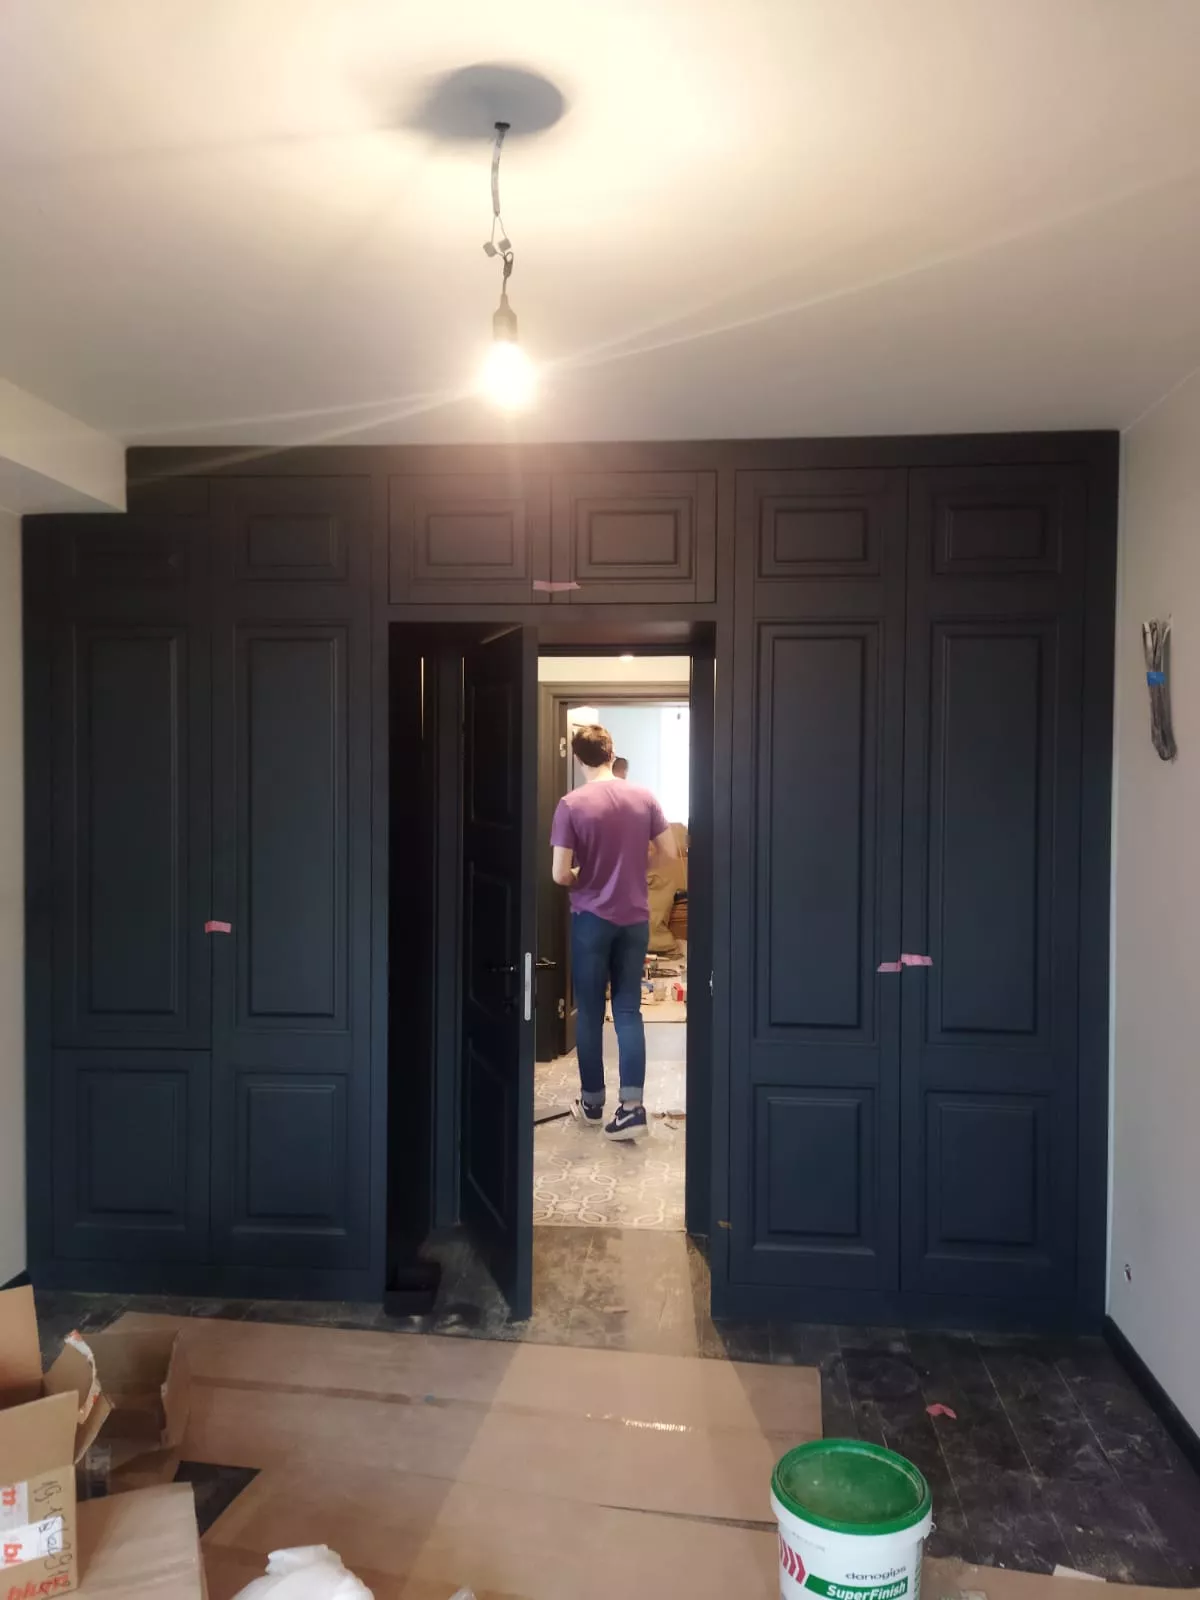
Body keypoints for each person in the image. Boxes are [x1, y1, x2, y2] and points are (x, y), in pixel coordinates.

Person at [551, 724, 678, 1142]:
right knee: (628, 1011)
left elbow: (559, 874)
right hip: (634, 919)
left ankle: (592, 1104)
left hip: (591, 919)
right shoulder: (643, 797)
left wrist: (583, 874)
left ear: (577, 758)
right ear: (611, 753)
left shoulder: (571, 804)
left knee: (590, 1012)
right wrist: (635, 869)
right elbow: (670, 853)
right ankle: (632, 1109)